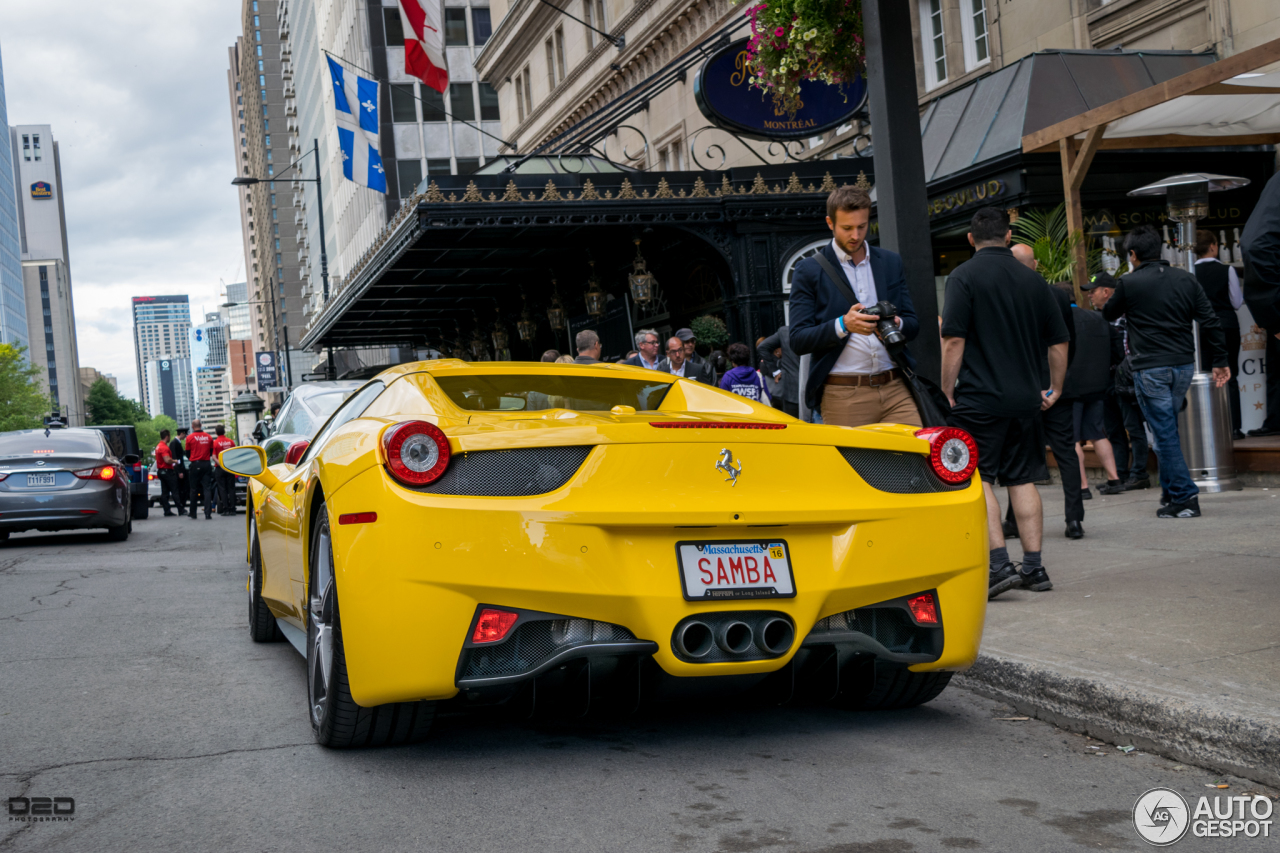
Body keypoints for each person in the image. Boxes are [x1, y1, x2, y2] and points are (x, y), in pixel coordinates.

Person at [940, 207, 1070, 598]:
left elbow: (953, 339)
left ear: (970, 239)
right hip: (1026, 399)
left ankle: (998, 566)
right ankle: (1035, 567)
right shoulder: (1034, 282)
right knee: (1023, 479)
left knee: (979, 480)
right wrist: (1055, 388)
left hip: (979, 399)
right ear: (1009, 235)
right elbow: (1059, 342)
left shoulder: (963, 276)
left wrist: (947, 388)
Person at [1102, 224, 1230, 519]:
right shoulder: (1185, 279)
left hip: (1150, 366)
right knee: (1166, 431)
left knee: (1165, 433)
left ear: (1133, 254)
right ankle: (1171, 492)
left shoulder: (1129, 283)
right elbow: (1210, 320)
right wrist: (1220, 360)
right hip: (1183, 365)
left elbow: (1109, 313)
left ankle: (1185, 497)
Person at [789, 184, 922, 427]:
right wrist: (843, 324)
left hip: (896, 388)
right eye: (847, 228)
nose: (856, 235)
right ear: (830, 223)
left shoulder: (890, 262)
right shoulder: (808, 270)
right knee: (855, 466)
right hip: (843, 394)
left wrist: (896, 323)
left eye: (862, 226)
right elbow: (798, 340)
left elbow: (913, 324)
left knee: (916, 459)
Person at [1005, 240, 1086, 540]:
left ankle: (1014, 521)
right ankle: (1074, 518)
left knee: (1022, 457)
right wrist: (1056, 385)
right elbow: (1067, 343)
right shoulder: (1057, 295)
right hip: (1056, 386)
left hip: (1023, 387)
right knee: (1066, 452)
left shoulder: (1008, 296)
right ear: (1036, 265)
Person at [1085, 272, 1151, 490]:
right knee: (1113, 430)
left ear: (1106, 292)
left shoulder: (1126, 316)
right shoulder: (1096, 318)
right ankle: (1120, 475)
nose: (1090, 297)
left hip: (1125, 380)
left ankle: (1139, 473)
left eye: (1093, 292)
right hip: (1104, 381)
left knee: (1133, 427)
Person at [1061, 293, 1125, 502]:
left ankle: (1082, 486)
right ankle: (1114, 479)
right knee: (1098, 433)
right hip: (1098, 384)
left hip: (1070, 387)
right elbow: (1117, 350)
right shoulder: (1099, 318)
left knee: (1072, 438)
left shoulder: (1060, 320)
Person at [1194, 230, 1245, 439]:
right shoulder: (1227, 270)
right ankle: (1233, 428)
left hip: (1201, 329)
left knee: (1205, 375)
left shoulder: (1189, 274)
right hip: (1226, 327)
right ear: (1214, 246)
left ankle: (1210, 430)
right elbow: (1236, 302)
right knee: (1230, 375)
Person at [757, 325, 800, 418]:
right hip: (800, 392)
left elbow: (762, 347)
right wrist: (775, 371)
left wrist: (776, 371)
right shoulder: (785, 332)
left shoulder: (785, 332)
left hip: (792, 392)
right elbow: (762, 347)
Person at [184, 420, 216, 520]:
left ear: (192, 426)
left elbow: (187, 453)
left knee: (193, 489)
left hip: (195, 464)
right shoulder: (209, 437)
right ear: (201, 425)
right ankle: (208, 513)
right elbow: (211, 452)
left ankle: (193, 513)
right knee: (207, 488)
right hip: (206, 463)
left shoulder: (189, 438)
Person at [154, 429, 180, 517]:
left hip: (161, 471)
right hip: (167, 471)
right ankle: (180, 509)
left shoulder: (158, 446)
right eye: (169, 435)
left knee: (165, 492)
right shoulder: (164, 447)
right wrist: (175, 461)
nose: (170, 437)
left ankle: (167, 510)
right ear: (167, 436)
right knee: (174, 490)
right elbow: (167, 460)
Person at [211, 425, 236, 516]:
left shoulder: (215, 443)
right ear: (224, 432)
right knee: (231, 488)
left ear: (216, 432)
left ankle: (225, 509)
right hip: (230, 468)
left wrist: (221, 464)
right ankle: (233, 509)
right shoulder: (230, 441)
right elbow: (235, 454)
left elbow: (213, 457)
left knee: (222, 489)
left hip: (220, 468)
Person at [169, 428, 188, 514]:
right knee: (180, 489)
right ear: (181, 434)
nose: (185, 436)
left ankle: (182, 507)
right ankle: (181, 508)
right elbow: (175, 458)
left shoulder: (177, 443)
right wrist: (179, 471)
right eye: (185, 434)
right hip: (178, 470)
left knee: (183, 489)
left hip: (180, 469)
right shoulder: (174, 443)